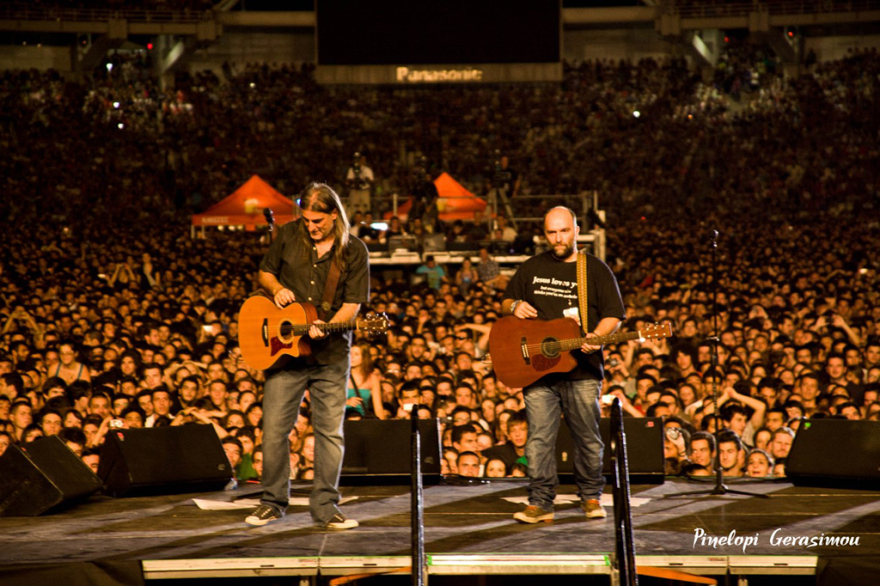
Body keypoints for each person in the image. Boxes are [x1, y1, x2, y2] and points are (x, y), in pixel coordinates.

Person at [245, 183, 369, 530]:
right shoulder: (288, 234)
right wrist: (277, 289)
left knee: (329, 433)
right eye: (306, 219)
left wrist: (328, 326)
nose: (311, 226)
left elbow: (352, 306)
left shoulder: (354, 251)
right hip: (285, 356)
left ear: (334, 215)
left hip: (329, 355)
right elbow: (265, 272)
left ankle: (326, 506)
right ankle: (271, 502)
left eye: (318, 221)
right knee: (273, 432)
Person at [503, 206, 625, 523]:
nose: (558, 239)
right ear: (544, 234)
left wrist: (598, 335)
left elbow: (614, 314)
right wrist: (514, 305)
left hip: (583, 369)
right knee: (539, 438)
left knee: (586, 435)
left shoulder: (595, 270)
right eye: (552, 233)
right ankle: (540, 502)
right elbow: (505, 300)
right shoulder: (531, 267)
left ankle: (591, 497)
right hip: (538, 369)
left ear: (576, 230)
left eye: (564, 231)